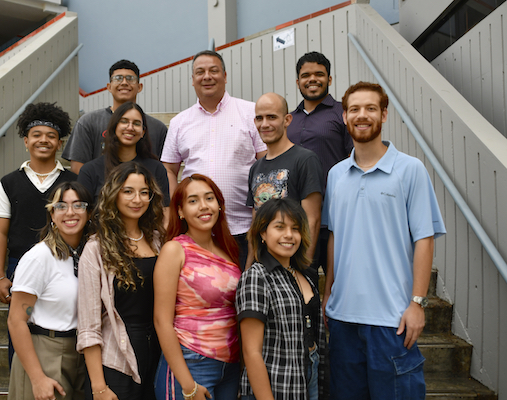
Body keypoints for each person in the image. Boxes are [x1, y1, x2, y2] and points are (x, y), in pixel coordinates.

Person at [322, 82, 446, 399]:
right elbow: (335, 236)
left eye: (370, 108)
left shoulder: (410, 170)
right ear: (345, 116)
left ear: (384, 115)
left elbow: (424, 239)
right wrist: (328, 295)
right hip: (343, 320)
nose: (362, 115)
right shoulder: (336, 174)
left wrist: (417, 304)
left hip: (393, 321)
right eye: (354, 109)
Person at [160, 50, 267, 267]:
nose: (207, 76)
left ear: (225, 76)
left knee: (244, 297)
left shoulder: (250, 112)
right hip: (197, 233)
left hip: (244, 228)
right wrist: (176, 211)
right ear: (192, 80)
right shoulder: (180, 122)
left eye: (213, 71)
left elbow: (267, 163)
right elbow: (169, 170)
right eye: (200, 72)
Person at [0, 102, 77, 365]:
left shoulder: (72, 181)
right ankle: (22, 381)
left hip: (65, 264)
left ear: (59, 144)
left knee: (62, 327)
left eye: (51, 136)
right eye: (37, 135)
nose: (44, 140)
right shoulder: (9, 183)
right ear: (26, 141)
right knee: (19, 327)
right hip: (20, 267)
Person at [77, 161, 166, 400]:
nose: (137, 199)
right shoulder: (97, 248)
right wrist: (99, 387)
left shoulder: (159, 241)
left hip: (158, 355)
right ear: (113, 195)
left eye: (144, 192)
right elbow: (88, 326)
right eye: (128, 191)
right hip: (116, 358)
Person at [153, 174, 241, 400]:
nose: (204, 206)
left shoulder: (227, 249)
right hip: (191, 363)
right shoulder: (175, 250)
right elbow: (161, 320)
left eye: (209, 198)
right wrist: (187, 384)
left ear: (219, 205)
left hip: (229, 366)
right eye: (193, 201)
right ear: (180, 211)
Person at [7, 181, 93, 400]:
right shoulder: (39, 257)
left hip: (82, 352)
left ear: (89, 212)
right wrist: (37, 378)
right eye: (61, 206)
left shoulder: (88, 255)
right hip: (45, 351)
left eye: (78, 205)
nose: (70, 212)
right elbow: (16, 320)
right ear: (52, 215)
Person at [236, 198, 326, 400]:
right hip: (275, 384)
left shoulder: (304, 275)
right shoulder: (257, 276)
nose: (289, 235)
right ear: (262, 233)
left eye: (295, 229)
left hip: (307, 374)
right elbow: (251, 352)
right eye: (279, 227)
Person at [286, 52, 353, 272]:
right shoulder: (290, 120)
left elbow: (355, 160)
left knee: (339, 286)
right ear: (298, 82)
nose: (312, 79)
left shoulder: (343, 113)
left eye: (319, 74)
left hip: (335, 219)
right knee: (302, 286)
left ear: (329, 79)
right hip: (295, 220)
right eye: (306, 75)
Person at [247, 92, 324, 267]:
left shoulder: (305, 160)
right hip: (264, 269)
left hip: (294, 266)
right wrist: (249, 268)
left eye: (272, 117)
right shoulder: (255, 168)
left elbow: (312, 221)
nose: (265, 124)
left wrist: (302, 272)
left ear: (287, 120)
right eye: (259, 118)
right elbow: (255, 223)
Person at [63, 59, 168, 174]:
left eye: (130, 79)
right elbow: (78, 167)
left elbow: (165, 170)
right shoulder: (88, 122)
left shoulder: (158, 128)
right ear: (109, 87)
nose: (124, 83)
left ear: (139, 87)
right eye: (118, 78)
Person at [76, 101, 169, 207]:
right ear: (114, 127)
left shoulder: (156, 169)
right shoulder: (90, 170)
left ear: (143, 132)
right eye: (124, 122)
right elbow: (82, 212)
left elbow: (165, 212)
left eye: (136, 123)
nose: (130, 127)